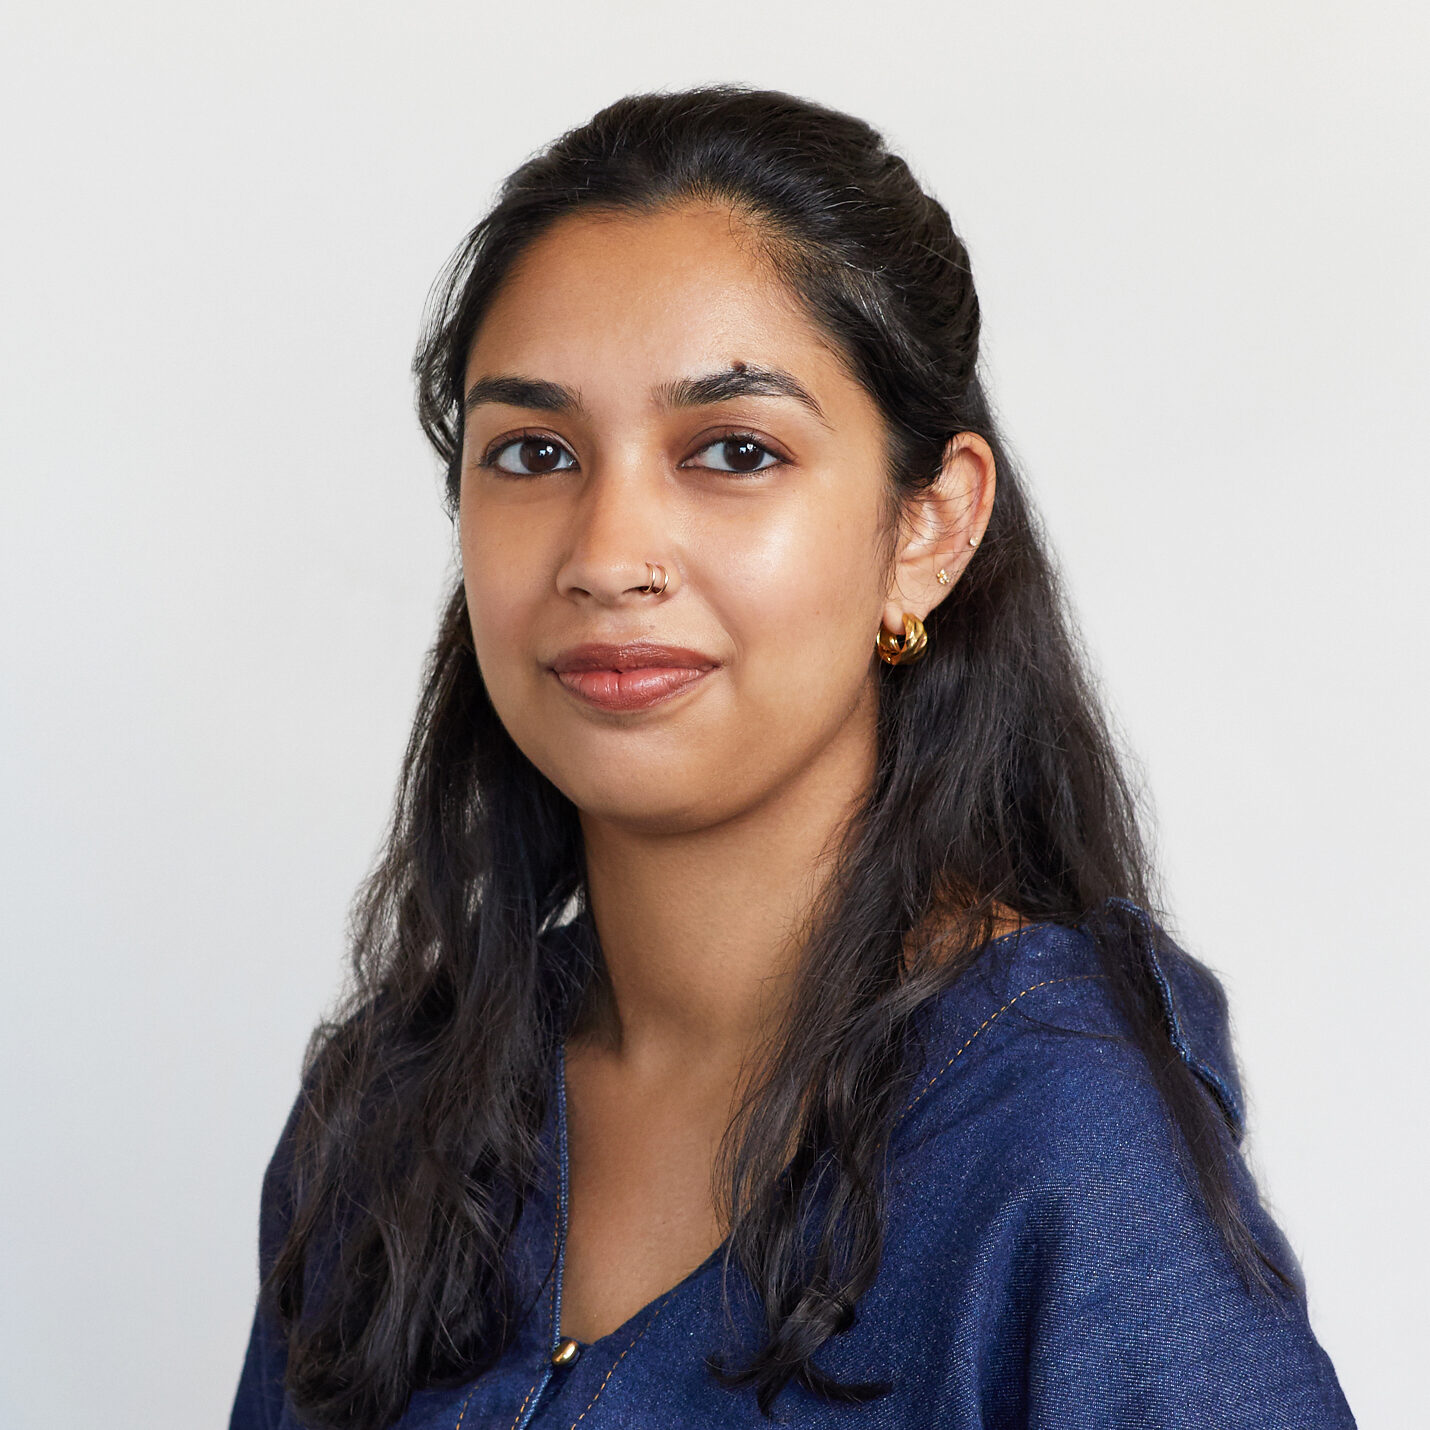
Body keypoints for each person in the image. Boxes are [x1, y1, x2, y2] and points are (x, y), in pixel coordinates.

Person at [229, 85, 1357, 1429]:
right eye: (533, 452)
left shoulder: (1060, 1151)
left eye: (732, 450)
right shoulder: (389, 1119)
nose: (606, 555)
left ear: (927, 528)